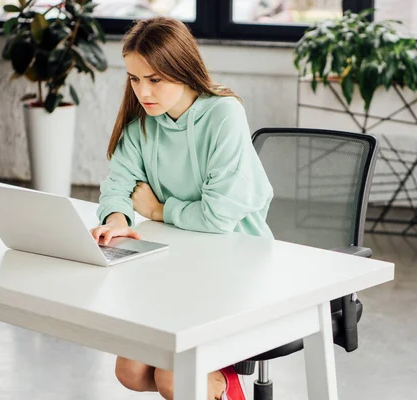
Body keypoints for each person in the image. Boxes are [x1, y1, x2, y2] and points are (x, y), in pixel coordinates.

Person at [89, 16, 274, 400]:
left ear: (182, 69)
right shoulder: (143, 123)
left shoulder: (224, 114)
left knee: (174, 380)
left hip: (234, 268)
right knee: (131, 371)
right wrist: (117, 221)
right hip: (175, 266)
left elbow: (219, 216)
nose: (142, 90)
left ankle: (225, 384)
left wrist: (157, 212)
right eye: (134, 79)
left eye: (154, 79)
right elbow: (117, 187)